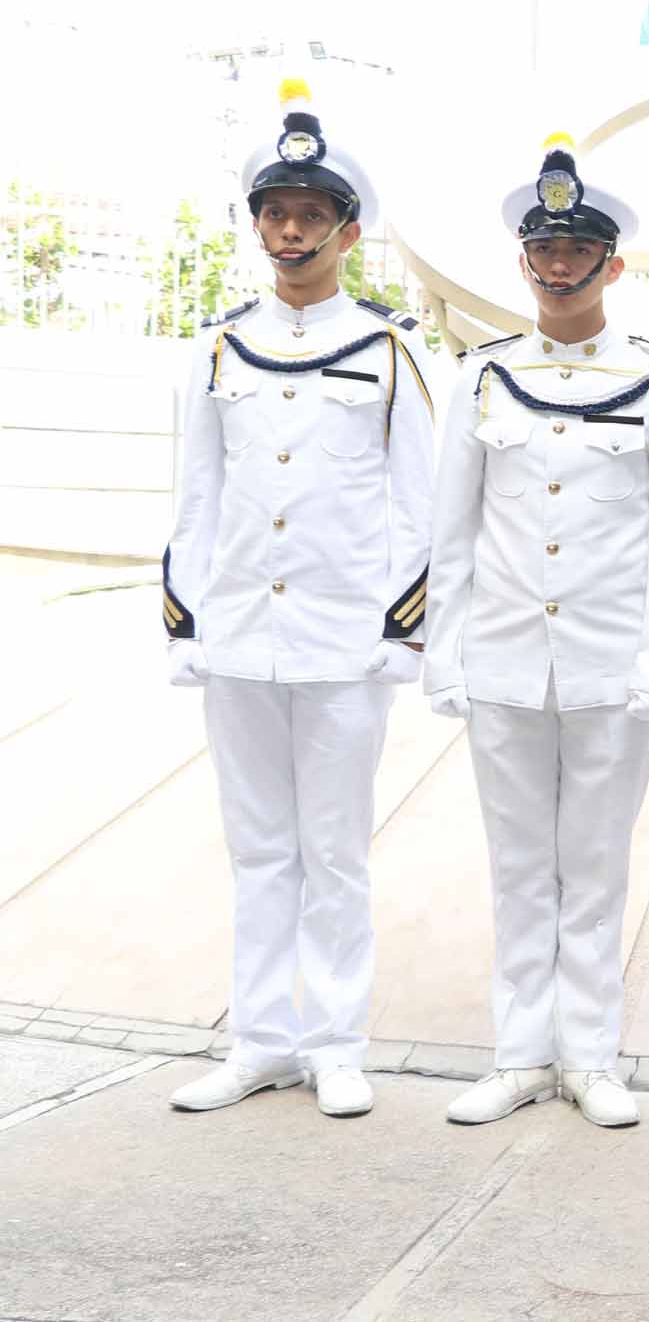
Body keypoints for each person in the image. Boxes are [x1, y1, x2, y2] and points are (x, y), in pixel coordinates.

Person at [163, 79, 436, 1120]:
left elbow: (417, 506)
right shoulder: (216, 348)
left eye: (308, 214)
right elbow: (194, 496)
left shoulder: (390, 349)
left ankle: (335, 1042)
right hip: (239, 634)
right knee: (258, 850)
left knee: (334, 851)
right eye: (274, 212)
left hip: (341, 640)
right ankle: (261, 1039)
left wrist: (399, 634)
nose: (288, 230)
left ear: (346, 232)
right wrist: (186, 622)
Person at [426, 133, 649, 1129]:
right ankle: (517, 1054)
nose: (558, 264)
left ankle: (588, 1055)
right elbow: (451, 528)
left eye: (577, 249)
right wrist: (445, 652)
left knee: (593, 868)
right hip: (505, 658)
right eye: (543, 248)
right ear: (524, 261)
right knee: (516, 866)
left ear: (611, 266)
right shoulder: (483, 378)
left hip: (609, 667)